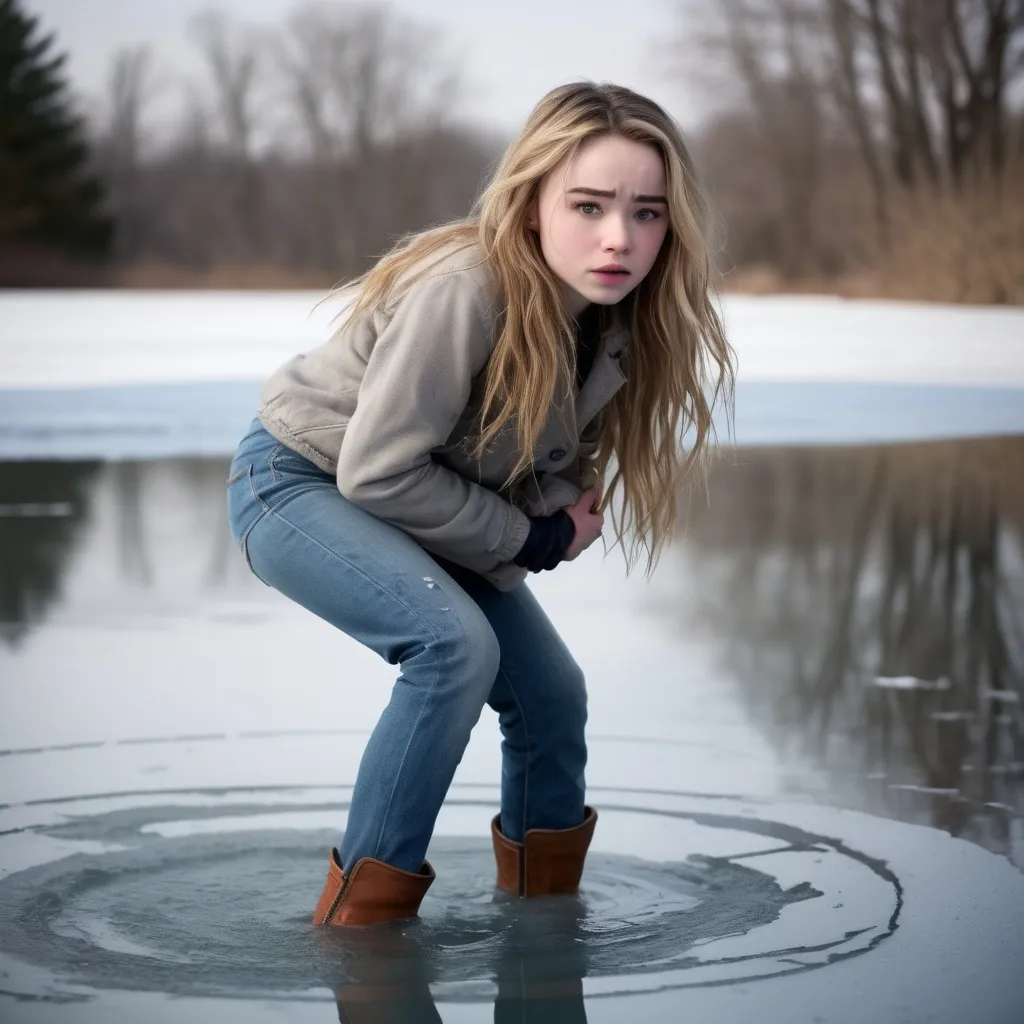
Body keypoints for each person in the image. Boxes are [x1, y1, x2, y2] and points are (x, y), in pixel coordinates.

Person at [226, 80, 734, 928]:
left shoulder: (613, 319)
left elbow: (518, 451)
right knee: (451, 647)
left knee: (552, 695)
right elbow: (379, 473)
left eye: (647, 212)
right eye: (589, 205)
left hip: (422, 497)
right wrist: (531, 536)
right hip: (298, 481)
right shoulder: (466, 286)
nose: (620, 238)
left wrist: (558, 506)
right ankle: (363, 928)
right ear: (531, 203)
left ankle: (544, 924)